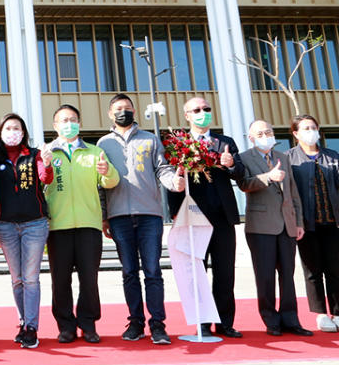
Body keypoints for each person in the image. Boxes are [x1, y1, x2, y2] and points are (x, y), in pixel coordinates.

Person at [98, 94, 184, 345]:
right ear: (110, 114)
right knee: (128, 272)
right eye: (117, 109)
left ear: (134, 111)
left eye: (126, 108)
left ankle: (158, 324)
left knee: (153, 271)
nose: (122, 112)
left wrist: (174, 183)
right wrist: (104, 217)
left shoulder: (150, 139)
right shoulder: (103, 144)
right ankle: (135, 322)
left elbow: (163, 169)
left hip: (150, 215)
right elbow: (100, 185)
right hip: (119, 217)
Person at [166, 96, 245, 338]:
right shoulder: (178, 143)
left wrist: (231, 164)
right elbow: (173, 180)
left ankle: (224, 323)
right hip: (193, 218)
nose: (203, 112)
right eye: (197, 110)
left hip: (222, 217)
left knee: (224, 272)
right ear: (187, 115)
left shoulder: (225, 142)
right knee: (196, 272)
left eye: (206, 108)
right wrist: (175, 212)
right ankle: (201, 322)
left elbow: (240, 174)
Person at [43, 104, 119, 344]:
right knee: (60, 279)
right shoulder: (46, 153)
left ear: (79, 123)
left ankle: (88, 324)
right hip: (58, 227)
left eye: (73, 119)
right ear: (55, 126)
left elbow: (111, 181)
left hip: (89, 225)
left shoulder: (94, 152)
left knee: (89, 278)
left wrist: (106, 171)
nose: (69, 124)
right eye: (63, 120)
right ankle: (65, 326)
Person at [237, 119, 311, 336]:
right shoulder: (244, 158)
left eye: (268, 131)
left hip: (287, 224)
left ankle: (291, 319)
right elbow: (244, 185)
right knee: (265, 276)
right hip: (260, 226)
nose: (265, 135)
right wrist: (267, 177)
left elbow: (292, 191)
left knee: (288, 275)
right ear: (251, 138)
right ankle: (271, 320)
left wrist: (298, 222)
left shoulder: (283, 157)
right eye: (259, 133)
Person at [0, 112, 51, 349]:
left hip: (35, 223)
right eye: (7, 128)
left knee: (31, 277)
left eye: (16, 128)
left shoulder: (34, 155)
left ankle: (32, 327)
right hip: (5, 225)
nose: (12, 132)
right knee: (17, 279)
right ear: (0, 133)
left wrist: (47, 161)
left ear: (23, 132)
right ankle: (23, 322)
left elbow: (46, 179)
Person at [286, 114, 339, 333]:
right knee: (312, 270)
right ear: (296, 133)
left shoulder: (332, 156)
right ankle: (320, 314)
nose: (311, 131)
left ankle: (337, 312)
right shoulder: (289, 158)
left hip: (333, 223)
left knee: (336, 269)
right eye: (305, 128)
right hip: (306, 225)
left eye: (313, 127)